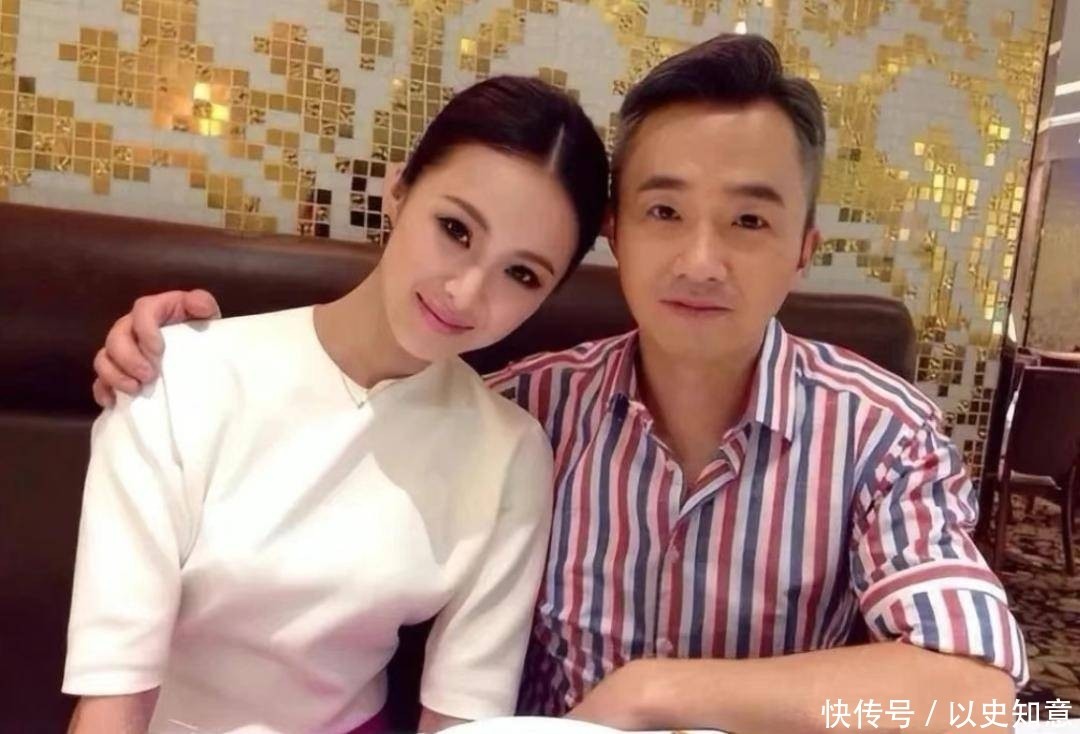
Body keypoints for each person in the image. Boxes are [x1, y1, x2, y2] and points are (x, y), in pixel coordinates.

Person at [90, 34, 1027, 733]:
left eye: (749, 221)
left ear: (803, 251)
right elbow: (359, 387)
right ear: (617, 234)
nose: (701, 261)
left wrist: (656, 691)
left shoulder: (880, 431)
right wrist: (179, 350)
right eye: (665, 211)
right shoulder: (529, 408)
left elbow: (976, 697)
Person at [63, 75, 609, 734]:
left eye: (521, 274)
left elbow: (465, 716)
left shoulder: (510, 452)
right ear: (398, 190)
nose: (466, 292)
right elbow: (113, 697)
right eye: (455, 229)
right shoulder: (177, 376)